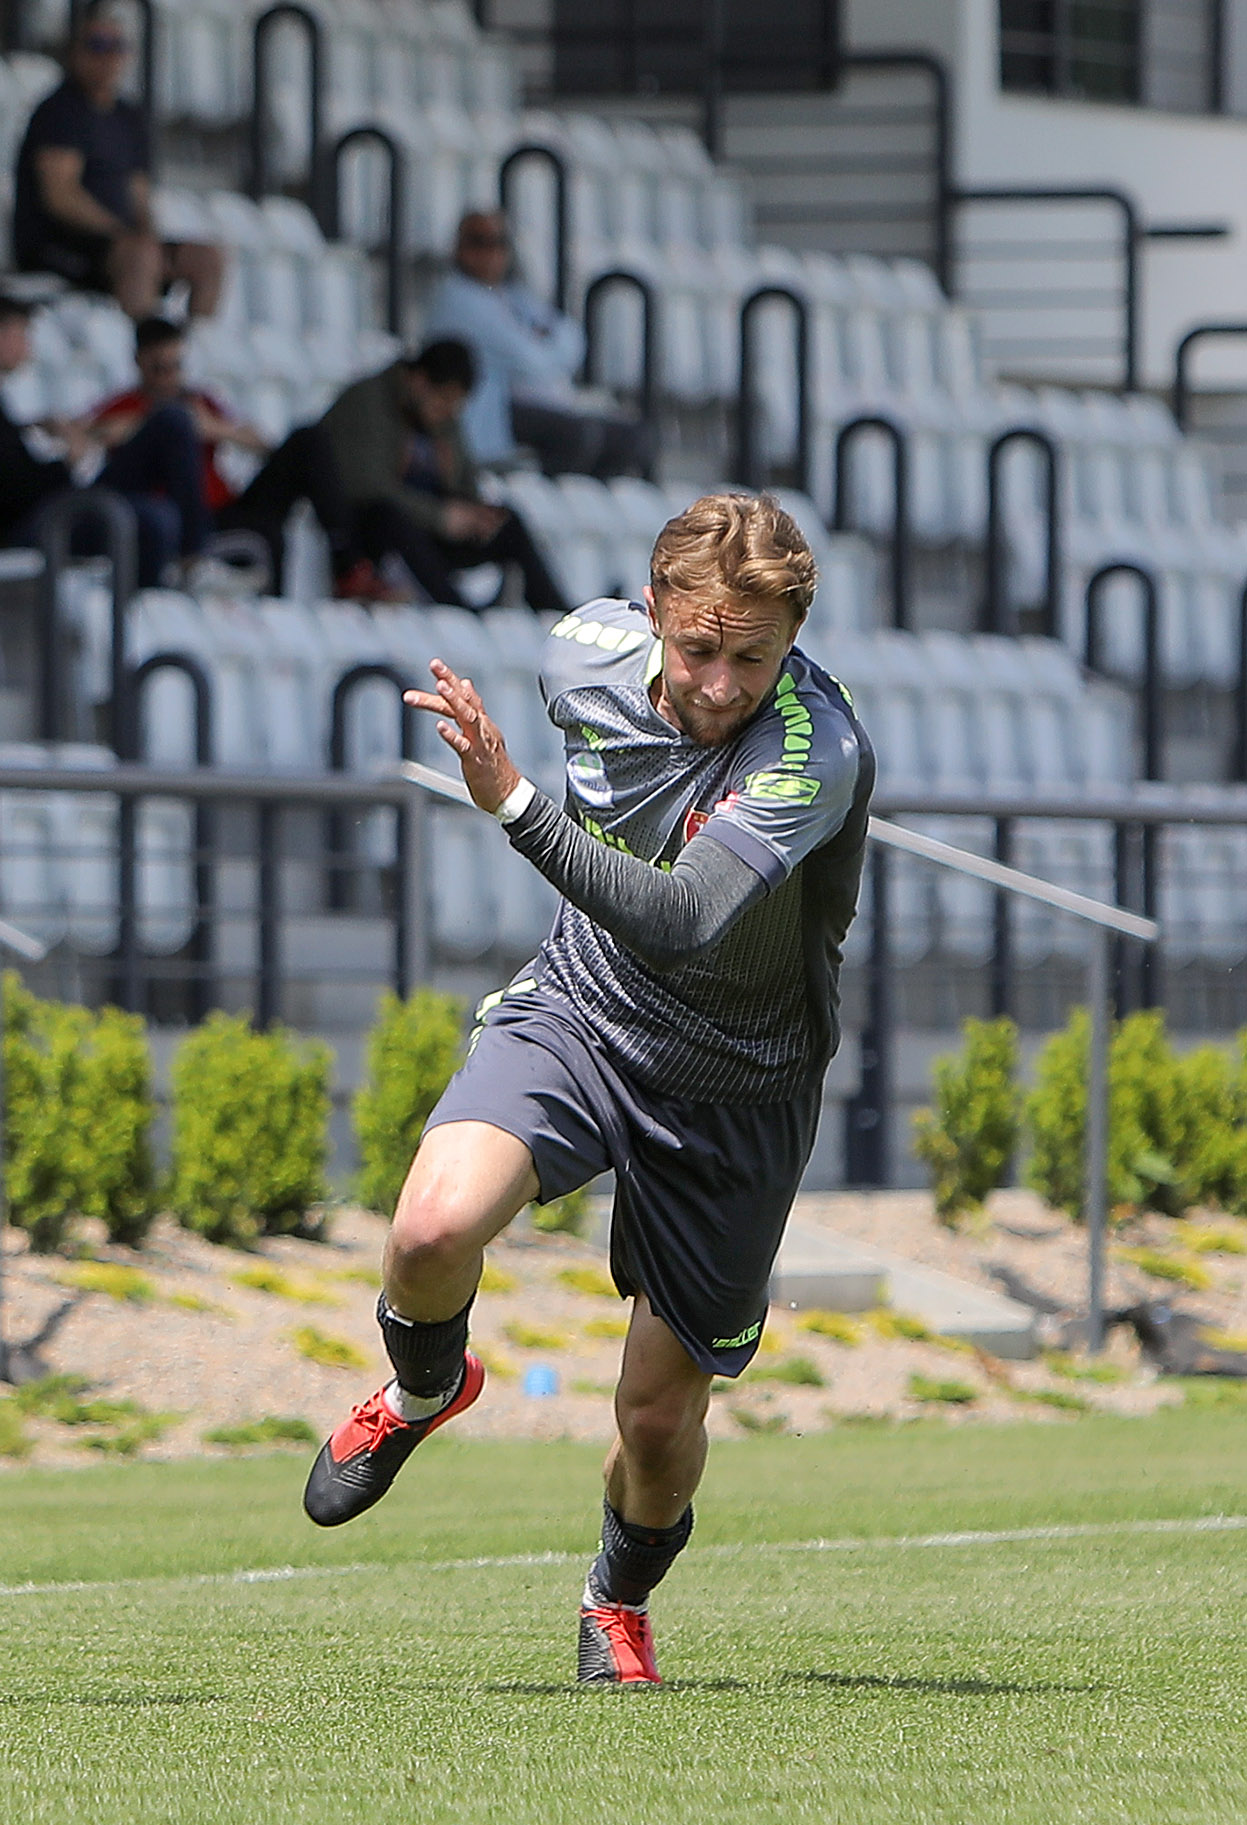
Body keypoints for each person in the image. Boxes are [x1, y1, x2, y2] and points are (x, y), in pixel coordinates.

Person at [306, 492, 873, 1687]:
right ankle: (425, 1388)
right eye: (700, 648)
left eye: (754, 659)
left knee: (656, 1425)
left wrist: (513, 802)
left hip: (735, 1086)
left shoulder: (814, 752)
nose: (720, 685)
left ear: (795, 639)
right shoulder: (583, 652)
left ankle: (616, 1599)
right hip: (585, 1011)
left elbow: (683, 918)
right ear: (654, 610)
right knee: (430, 1229)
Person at [220, 340, 566, 608]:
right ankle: (454, 607)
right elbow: (365, 487)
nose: (446, 413)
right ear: (418, 381)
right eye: (442, 401)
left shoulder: (444, 419)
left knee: (508, 522)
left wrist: (475, 513)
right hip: (376, 530)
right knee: (390, 518)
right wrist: (440, 516)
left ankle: (558, 614)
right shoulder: (368, 403)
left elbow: (463, 479)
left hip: (428, 529)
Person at [0, 292, 195, 578]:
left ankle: (190, 557)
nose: (27, 347)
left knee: (170, 424)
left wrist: (41, 433)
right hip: (40, 521)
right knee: (155, 515)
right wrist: (70, 459)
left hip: (53, 507)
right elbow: (14, 489)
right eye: (21, 334)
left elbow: (5, 460)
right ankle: (184, 564)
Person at [10, 1, 224, 320]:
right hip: (59, 244)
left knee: (207, 258)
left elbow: (139, 194)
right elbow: (61, 197)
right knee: (140, 255)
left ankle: (191, 345)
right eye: (97, 45)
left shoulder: (129, 117)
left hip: (119, 242)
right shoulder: (59, 111)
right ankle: (144, 342)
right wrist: (122, 233)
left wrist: (147, 234)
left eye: (117, 46)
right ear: (75, 52)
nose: (108, 55)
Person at [426, 210, 648, 480]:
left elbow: (573, 340)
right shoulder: (457, 299)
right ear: (459, 248)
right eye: (478, 242)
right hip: (491, 415)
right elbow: (530, 362)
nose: (491, 253)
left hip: (541, 401)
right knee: (576, 436)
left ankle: (588, 499)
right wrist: (542, 344)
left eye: (500, 242)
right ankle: (548, 496)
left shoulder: (513, 295)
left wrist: (541, 349)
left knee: (630, 437)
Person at [69, 314, 274, 572]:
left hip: (217, 507)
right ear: (139, 362)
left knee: (269, 529)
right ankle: (192, 556)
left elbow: (262, 442)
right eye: (159, 368)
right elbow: (88, 431)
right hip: (164, 511)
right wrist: (156, 424)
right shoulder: (125, 405)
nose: (168, 377)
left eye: (176, 367)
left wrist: (213, 428)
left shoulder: (200, 402)